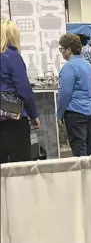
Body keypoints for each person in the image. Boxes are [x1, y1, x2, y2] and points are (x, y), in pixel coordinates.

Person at [0, 18, 40, 163]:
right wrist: (33, 114)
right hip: (13, 117)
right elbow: (24, 90)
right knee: (20, 165)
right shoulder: (12, 56)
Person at [57, 33, 91, 157]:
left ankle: (82, 175)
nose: (61, 52)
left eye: (61, 49)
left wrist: (59, 114)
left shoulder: (69, 67)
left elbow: (64, 94)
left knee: (79, 149)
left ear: (68, 50)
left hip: (75, 112)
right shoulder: (88, 65)